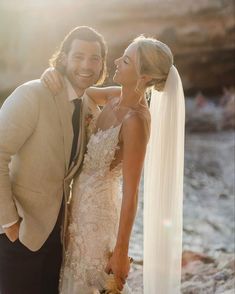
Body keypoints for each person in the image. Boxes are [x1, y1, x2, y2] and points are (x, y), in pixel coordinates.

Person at [42, 35, 185, 294]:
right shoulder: (112, 97)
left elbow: (131, 193)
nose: (117, 61)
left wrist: (121, 252)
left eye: (127, 60)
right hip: (76, 208)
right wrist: (52, 73)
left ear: (143, 77)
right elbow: (74, 88)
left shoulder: (136, 122)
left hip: (98, 216)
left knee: (89, 279)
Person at [0, 26, 107, 294]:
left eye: (95, 58)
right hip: (19, 233)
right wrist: (10, 223)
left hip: (55, 236)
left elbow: (127, 95)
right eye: (79, 56)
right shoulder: (33, 94)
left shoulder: (86, 104)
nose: (87, 65)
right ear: (63, 58)